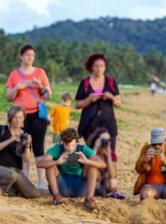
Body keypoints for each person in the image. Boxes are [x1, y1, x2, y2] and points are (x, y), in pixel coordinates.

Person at [5, 44, 52, 190]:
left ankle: (41, 182)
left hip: (38, 114)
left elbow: (48, 95)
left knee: (38, 147)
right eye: (27, 55)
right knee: (23, 147)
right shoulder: (14, 75)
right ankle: (23, 180)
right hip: (20, 116)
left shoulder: (40, 72)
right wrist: (18, 87)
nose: (30, 58)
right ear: (21, 56)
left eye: (32, 55)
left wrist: (41, 87)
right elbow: (8, 97)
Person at [37, 128, 106, 211]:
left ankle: (89, 198)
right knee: (50, 165)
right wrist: (57, 162)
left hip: (80, 187)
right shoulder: (58, 148)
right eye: (66, 144)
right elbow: (39, 164)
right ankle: (56, 196)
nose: (70, 148)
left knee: (92, 165)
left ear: (77, 142)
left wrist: (87, 161)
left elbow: (103, 164)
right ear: (62, 142)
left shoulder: (83, 149)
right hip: (62, 187)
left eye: (73, 145)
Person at [75, 53, 121, 161]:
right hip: (89, 126)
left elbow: (119, 103)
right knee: (92, 155)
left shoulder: (111, 82)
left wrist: (112, 98)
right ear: (91, 67)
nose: (99, 68)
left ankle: (109, 176)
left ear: (105, 67)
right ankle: (94, 177)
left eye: (102, 66)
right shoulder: (85, 83)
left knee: (110, 154)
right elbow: (77, 105)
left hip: (109, 124)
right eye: (96, 66)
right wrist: (89, 99)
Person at [133, 128, 166, 207]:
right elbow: (137, 169)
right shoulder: (146, 149)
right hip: (151, 186)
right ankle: (151, 210)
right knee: (145, 194)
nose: (157, 147)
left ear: (165, 141)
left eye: (160, 144)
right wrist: (145, 160)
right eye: (154, 144)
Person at [0, 105, 40, 198]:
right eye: (15, 117)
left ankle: (9, 189)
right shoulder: (2, 129)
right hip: (2, 168)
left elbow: (26, 160)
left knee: (34, 193)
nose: (18, 120)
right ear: (10, 118)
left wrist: (27, 146)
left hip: (15, 171)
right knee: (11, 175)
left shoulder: (25, 136)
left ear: (23, 118)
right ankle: (3, 190)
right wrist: (11, 139)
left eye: (20, 117)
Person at [87, 127, 125, 199]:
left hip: (104, 182)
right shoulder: (90, 151)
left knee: (113, 182)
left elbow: (113, 175)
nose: (106, 142)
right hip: (93, 181)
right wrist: (95, 148)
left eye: (108, 140)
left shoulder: (112, 154)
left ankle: (102, 192)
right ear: (96, 140)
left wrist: (108, 156)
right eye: (103, 140)